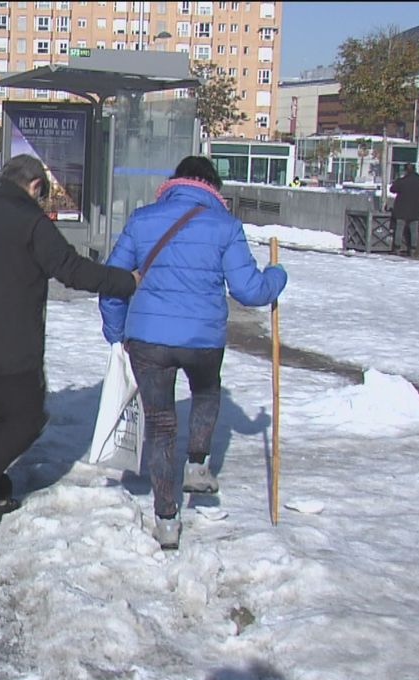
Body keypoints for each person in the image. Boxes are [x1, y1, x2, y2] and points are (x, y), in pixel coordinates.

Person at [0, 154, 140, 528]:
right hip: (13, 347)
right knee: (26, 420)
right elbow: (72, 270)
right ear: (35, 186)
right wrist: (127, 282)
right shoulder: (32, 224)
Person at [99, 156, 287, 550]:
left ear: (174, 182)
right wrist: (277, 276)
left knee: (161, 426)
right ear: (212, 186)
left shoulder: (142, 220)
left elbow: (113, 282)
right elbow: (249, 291)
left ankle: (167, 519)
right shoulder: (225, 226)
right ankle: (198, 464)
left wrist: (117, 332)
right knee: (206, 391)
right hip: (203, 340)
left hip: (148, 340)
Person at [390, 163, 419, 256]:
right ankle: (413, 249)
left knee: (399, 228)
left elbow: (392, 189)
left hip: (401, 210)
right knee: (414, 230)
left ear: (405, 171)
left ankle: (397, 248)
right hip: (416, 210)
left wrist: (398, 179)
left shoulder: (402, 181)